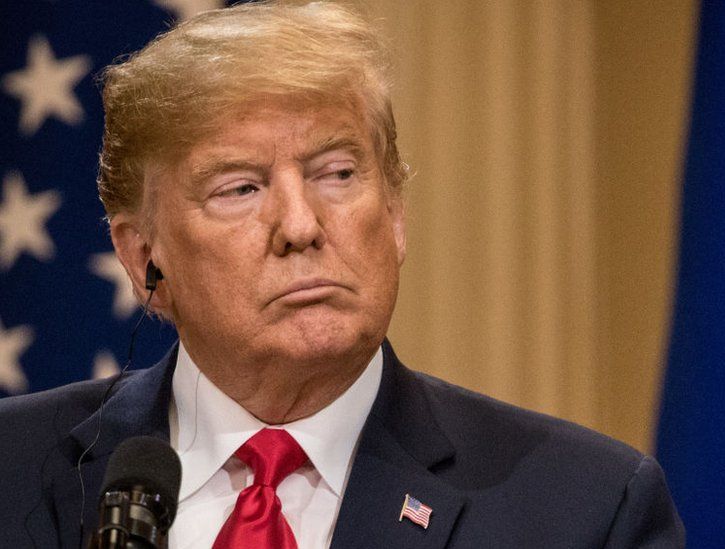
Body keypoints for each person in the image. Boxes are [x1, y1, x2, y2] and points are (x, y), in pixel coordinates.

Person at [0, 2, 683, 547]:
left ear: (394, 214)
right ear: (143, 255)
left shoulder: (585, 511)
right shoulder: (13, 471)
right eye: (241, 188)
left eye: (338, 174)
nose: (301, 225)